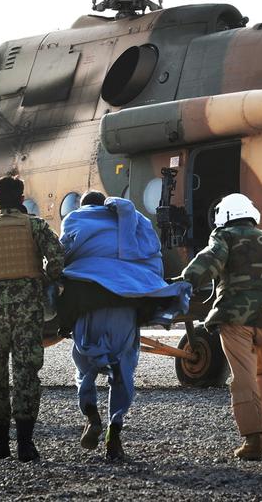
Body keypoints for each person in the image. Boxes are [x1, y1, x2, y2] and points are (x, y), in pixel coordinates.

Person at [58, 191, 191, 461]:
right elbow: (154, 257)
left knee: (84, 369)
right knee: (122, 373)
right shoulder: (133, 219)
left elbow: (62, 256)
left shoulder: (75, 219)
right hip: (125, 306)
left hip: (89, 305)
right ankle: (114, 433)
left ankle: (91, 415)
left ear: (85, 207)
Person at [179, 193, 262, 461]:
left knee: (244, 376)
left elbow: (212, 260)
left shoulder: (224, 236)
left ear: (224, 217)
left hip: (235, 318)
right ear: (252, 215)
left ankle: (252, 440)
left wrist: (186, 279)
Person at [0, 176, 64, 462]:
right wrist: (42, 279)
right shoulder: (35, 225)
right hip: (28, 309)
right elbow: (57, 260)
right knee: (26, 373)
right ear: (22, 199)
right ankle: (25, 444)